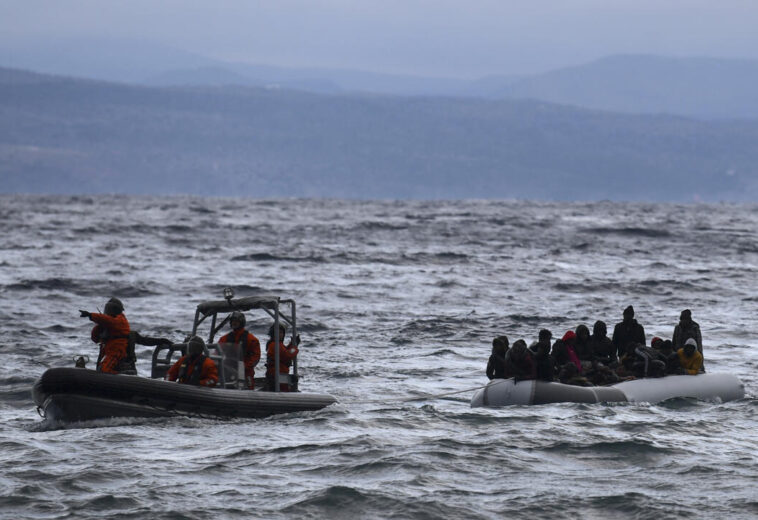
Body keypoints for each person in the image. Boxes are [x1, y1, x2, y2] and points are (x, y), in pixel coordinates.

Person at [79, 297, 130, 374]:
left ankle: (121, 378)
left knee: (105, 369)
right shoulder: (106, 322)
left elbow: (109, 321)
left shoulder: (120, 320)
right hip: (107, 350)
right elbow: (95, 338)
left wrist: (91, 315)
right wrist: (100, 325)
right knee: (101, 368)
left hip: (116, 350)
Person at [218, 311, 261, 389]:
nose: (234, 323)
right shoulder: (224, 339)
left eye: (236, 321)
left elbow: (256, 357)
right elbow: (217, 354)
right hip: (228, 370)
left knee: (249, 387)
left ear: (241, 322)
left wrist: (244, 367)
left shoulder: (251, 339)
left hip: (245, 371)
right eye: (232, 321)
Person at [265, 323, 300, 391]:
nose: (280, 334)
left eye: (281, 332)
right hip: (276, 376)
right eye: (277, 332)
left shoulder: (277, 344)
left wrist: (292, 344)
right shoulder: (275, 345)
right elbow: (287, 354)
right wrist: (294, 347)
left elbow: (284, 352)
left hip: (280, 375)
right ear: (273, 334)